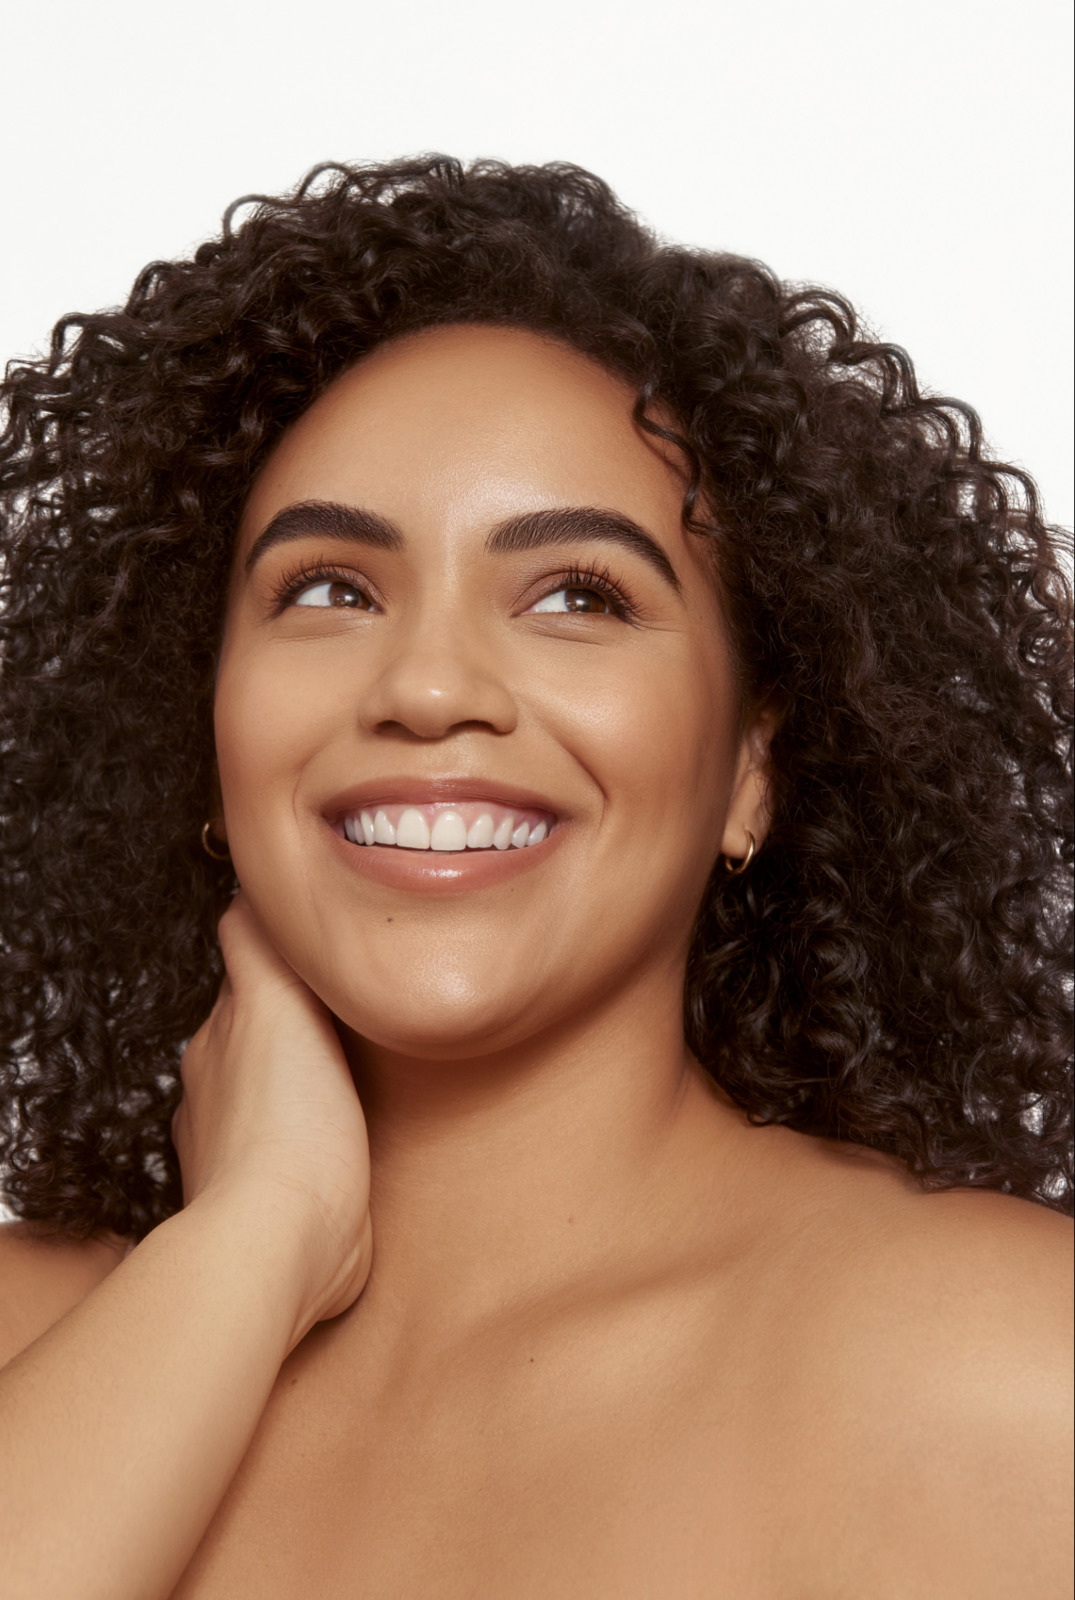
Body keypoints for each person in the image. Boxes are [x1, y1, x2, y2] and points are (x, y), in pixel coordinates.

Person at [0, 156, 1070, 1598]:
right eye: (329, 589)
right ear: (202, 728)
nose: (430, 686)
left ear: (754, 767)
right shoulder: (37, 1340)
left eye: (581, 596)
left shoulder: (998, 1371)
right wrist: (254, 1239)